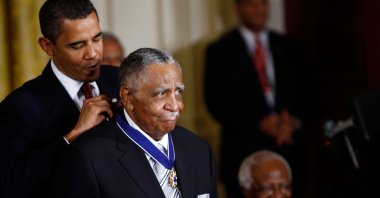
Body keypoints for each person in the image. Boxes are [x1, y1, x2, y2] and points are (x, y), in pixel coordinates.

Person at [49, 47, 218, 198]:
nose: (175, 106)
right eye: (161, 93)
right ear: (128, 97)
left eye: (178, 92)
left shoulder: (199, 150)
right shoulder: (89, 158)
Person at [0, 0, 120, 197]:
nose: (93, 54)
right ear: (47, 46)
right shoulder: (20, 107)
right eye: (78, 45)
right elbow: (12, 184)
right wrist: (74, 134)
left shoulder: (120, 79)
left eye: (97, 39)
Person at [204, 0, 313, 197]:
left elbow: (308, 95)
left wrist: (292, 122)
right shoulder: (219, 50)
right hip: (243, 152)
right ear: (237, 8)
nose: (259, 10)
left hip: (289, 150)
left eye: (263, 3)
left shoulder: (290, 46)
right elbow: (216, 102)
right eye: (251, 4)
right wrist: (259, 123)